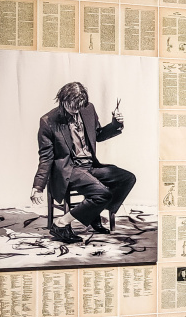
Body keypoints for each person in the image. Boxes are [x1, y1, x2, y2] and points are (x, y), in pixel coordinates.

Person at [31, 82, 136, 243]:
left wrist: (115, 124)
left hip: (90, 166)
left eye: (79, 107)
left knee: (127, 178)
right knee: (103, 194)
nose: (75, 110)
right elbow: (46, 157)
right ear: (62, 100)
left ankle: (93, 211)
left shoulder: (88, 109)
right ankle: (60, 224)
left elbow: (98, 135)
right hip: (69, 170)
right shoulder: (48, 121)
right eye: (72, 106)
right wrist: (38, 186)